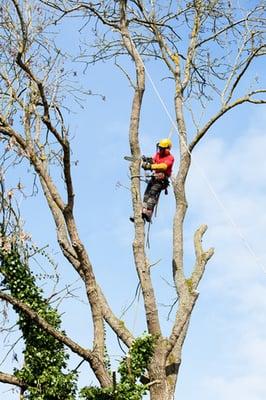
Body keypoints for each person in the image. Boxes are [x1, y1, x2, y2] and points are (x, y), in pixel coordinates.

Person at [131, 138, 174, 223]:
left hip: (161, 181)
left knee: (152, 194)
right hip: (154, 178)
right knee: (146, 195)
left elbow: (164, 166)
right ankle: (141, 212)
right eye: (160, 148)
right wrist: (148, 161)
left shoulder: (170, 158)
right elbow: (154, 161)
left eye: (162, 148)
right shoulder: (158, 155)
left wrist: (150, 167)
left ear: (167, 149)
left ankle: (148, 212)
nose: (160, 150)